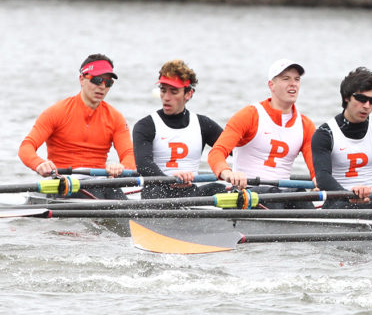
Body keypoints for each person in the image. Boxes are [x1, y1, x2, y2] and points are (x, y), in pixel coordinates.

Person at [19, 54, 135, 199]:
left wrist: (121, 167)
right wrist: (39, 164)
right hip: (64, 183)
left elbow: (130, 155)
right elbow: (26, 147)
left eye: (108, 83)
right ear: (82, 79)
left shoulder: (115, 117)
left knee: (121, 203)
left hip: (98, 183)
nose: (102, 87)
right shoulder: (57, 112)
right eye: (97, 80)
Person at [207, 59, 317, 208]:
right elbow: (216, 152)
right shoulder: (250, 115)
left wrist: (319, 179)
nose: (293, 84)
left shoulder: (306, 125)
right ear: (271, 85)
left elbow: (316, 167)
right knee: (274, 195)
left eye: (297, 79)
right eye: (286, 79)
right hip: (248, 192)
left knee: (299, 195)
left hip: (284, 194)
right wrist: (227, 173)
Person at [131, 60, 226, 200]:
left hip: (189, 192)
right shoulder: (145, 125)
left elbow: (234, 149)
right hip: (157, 193)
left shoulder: (203, 124)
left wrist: (230, 173)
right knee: (157, 191)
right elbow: (144, 165)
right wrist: (170, 180)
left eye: (174, 92)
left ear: (188, 94)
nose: (166, 98)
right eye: (163, 90)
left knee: (221, 189)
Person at [312, 66, 372, 209]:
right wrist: (350, 196)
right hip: (338, 202)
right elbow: (323, 178)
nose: (367, 106)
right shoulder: (325, 133)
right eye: (361, 99)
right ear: (346, 97)